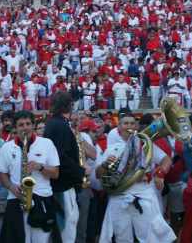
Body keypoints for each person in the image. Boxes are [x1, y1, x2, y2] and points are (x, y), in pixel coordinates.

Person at [96, 113, 174, 243]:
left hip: (144, 195)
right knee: (122, 237)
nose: (129, 126)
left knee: (150, 237)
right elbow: (98, 174)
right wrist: (105, 165)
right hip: (119, 197)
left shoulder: (145, 145)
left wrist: (160, 174)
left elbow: (166, 160)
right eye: (125, 123)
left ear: (136, 126)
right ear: (119, 128)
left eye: (132, 123)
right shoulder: (111, 149)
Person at [0, 113, 63, 242]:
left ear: (33, 125)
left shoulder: (47, 143)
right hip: (17, 199)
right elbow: (2, 174)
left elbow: (56, 173)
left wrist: (40, 167)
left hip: (42, 198)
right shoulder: (6, 147)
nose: (25, 128)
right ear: (15, 128)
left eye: (28, 124)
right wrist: (11, 187)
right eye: (21, 125)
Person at [40, 93, 83, 243]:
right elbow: (61, 158)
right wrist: (81, 172)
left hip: (59, 186)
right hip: (62, 188)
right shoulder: (59, 125)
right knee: (66, 232)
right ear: (69, 106)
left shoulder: (55, 124)